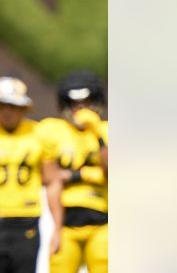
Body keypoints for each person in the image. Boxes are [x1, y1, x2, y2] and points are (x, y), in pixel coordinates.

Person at [0, 77, 63, 273]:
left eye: (13, 106)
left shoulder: (40, 134)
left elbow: (52, 182)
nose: (7, 111)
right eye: (1, 105)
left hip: (27, 220)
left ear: (23, 108)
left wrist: (57, 227)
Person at [37, 71, 108, 273]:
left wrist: (97, 135)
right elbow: (49, 177)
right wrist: (56, 228)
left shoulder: (105, 131)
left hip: (103, 220)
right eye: (74, 103)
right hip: (67, 221)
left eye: (86, 102)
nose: (80, 108)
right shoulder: (52, 130)